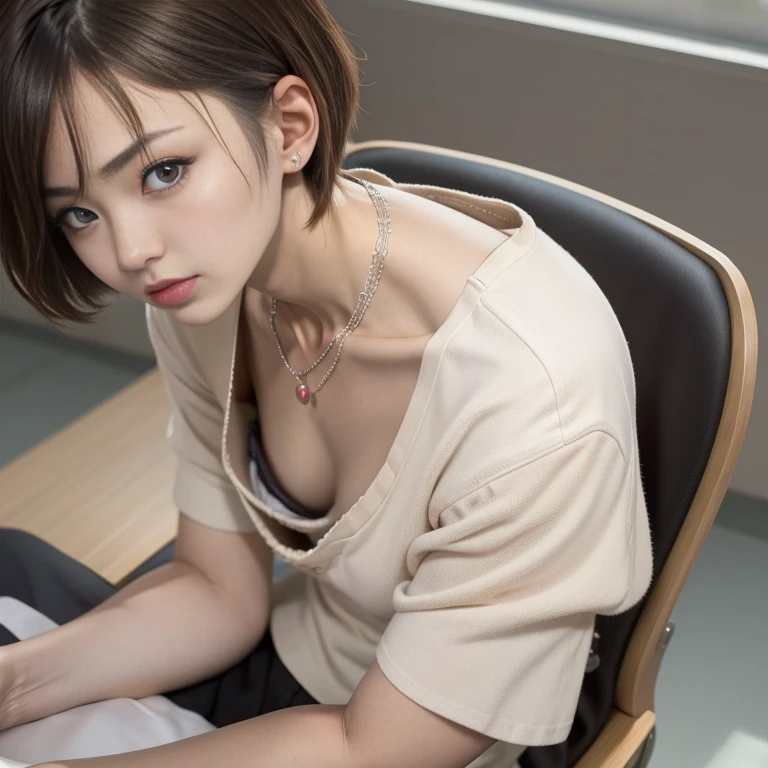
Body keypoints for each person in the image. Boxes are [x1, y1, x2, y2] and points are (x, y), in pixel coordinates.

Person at [0, 1, 653, 767]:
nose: (130, 251)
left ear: (290, 124)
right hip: (301, 667)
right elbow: (218, 590)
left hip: (437, 735)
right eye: (79, 214)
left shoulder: (534, 400)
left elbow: (374, 747)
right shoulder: (202, 288)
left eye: (163, 172)